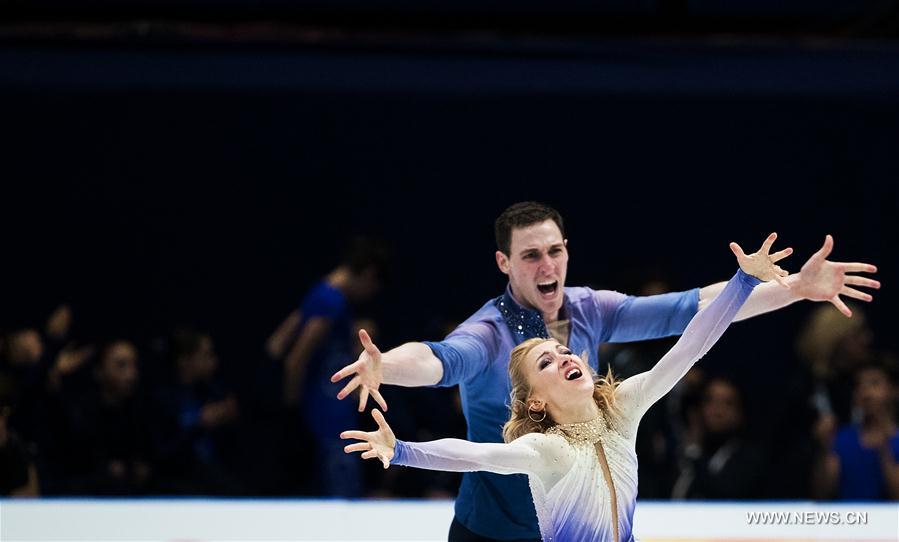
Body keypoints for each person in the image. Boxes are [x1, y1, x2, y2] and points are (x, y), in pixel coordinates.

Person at [331, 201, 880, 541]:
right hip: (495, 532)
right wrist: (387, 367)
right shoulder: (491, 332)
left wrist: (791, 289)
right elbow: (439, 359)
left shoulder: (594, 314)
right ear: (504, 263)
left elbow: (692, 315)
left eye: (554, 251)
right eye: (529, 256)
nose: (547, 266)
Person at [267, 236, 389, 496]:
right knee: (339, 501)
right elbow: (294, 359)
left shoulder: (320, 294)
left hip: (322, 415)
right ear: (369, 274)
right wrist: (291, 416)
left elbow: (276, 344)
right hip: (326, 419)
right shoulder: (332, 302)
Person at [812, 359, 899, 500]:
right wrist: (825, 447)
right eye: (859, 385)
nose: (865, 393)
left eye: (874, 384)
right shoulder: (842, 438)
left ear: (894, 390)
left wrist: (884, 447)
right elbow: (822, 494)